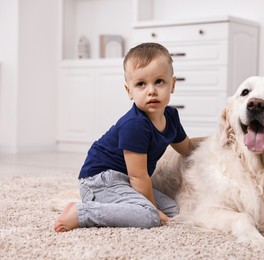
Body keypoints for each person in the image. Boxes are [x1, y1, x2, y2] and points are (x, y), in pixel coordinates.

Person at [54, 42, 199, 232]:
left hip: (125, 180)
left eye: (159, 82)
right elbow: (138, 176)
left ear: (172, 84)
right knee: (149, 216)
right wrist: (153, 209)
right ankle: (82, 212)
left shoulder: (171, 116)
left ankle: (118, 207)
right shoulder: (135, 125)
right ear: (129, 91)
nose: (151, 91)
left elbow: (186, 147)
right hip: (99, 180)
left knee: (173, 209)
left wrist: (219, 138)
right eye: (141, 84)